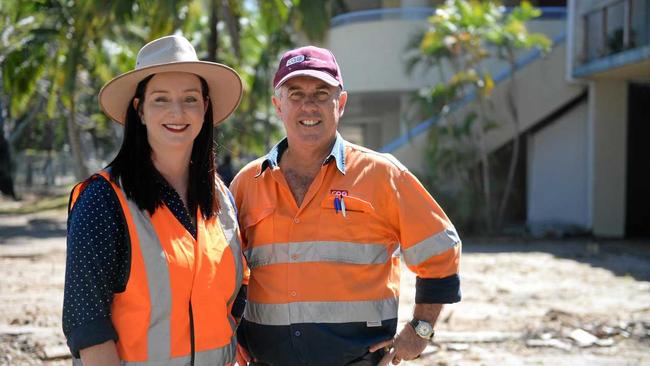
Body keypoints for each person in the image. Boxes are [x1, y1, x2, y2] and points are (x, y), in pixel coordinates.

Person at [230, 46, 462, 366]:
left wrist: (420, 330)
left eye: (321, 93)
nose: (308, 105)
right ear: (278, 106)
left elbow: (440, 252)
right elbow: (226, 273)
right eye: (295, 94)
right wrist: (232, 334)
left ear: (340, 103)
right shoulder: (247, 182)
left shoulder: (383, 175)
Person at [62, 35, 246, 365]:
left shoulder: (223, 200)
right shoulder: (103, 200)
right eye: (160, 99)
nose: (177, 112)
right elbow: (87, 325)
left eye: (190, 99)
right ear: (140, 110)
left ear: (205, 107)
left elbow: (235, 302)